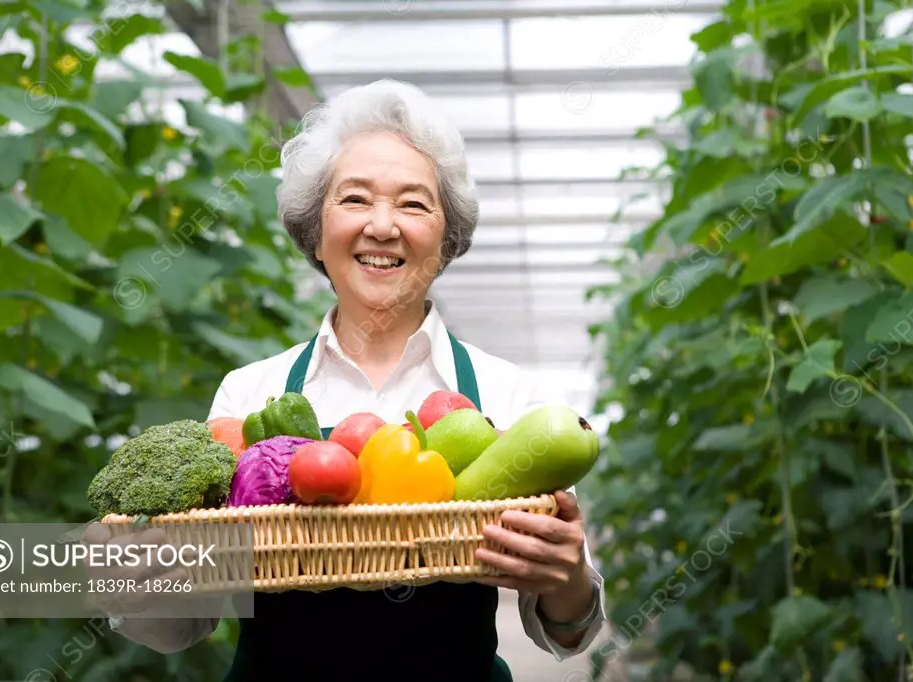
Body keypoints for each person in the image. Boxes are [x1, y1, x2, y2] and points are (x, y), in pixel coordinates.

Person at [100, 79, 606, 682]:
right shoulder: (247, 393)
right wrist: (134, 581)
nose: (383, 226)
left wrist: (568, 577)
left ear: (447, 239)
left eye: (414, 204)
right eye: (355, 199)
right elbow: (181, 628)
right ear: (315, 231)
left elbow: (568, 635)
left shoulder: (509, 395)